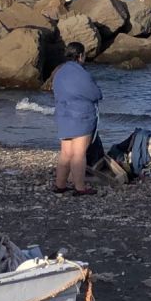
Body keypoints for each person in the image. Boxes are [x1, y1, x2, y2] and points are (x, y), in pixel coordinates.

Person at [51, 42, 102, 195]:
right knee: (79, 154)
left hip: (63, 115)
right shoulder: (82, 74)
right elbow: (96, 94)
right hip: (81, 116)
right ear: (80, 56)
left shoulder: (59, 72)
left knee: (66, 153)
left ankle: (60, 185)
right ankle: (79, 187)